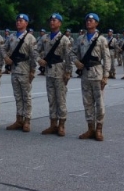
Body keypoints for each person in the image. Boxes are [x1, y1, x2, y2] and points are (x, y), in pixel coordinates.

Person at [73, 13, 111, 141]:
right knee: (87, 102)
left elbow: (107, 58)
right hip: (85, 74)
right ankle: (90, 128)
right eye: (87, 20)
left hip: (97, 74)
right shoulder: (80, 39)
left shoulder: (101, 39)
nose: (88, 22)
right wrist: (76, 61)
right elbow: (72, 53)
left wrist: (106, 75)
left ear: (96, 23)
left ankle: (99, 129)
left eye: (91, 20)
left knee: (99, 103)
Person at [37, 13, 72, 136]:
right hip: (49, 72)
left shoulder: (64, 39)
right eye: (51, 20)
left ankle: (61, 125)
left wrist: (68, 72)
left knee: (60, 99)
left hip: (60, 71)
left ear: (60, 23)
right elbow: (36, 50)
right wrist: (39, 59)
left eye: (55, 20)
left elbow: (69, 57)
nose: (52, 22)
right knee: (51, 99)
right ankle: (53, 124)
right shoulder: (45, 38)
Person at [3, 13, 38, 132]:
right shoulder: (11, 37)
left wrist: (33, 71)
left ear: (26, 23)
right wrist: (5, 58)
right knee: (18, 96)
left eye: (22, 21)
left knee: (26, 97)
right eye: (17, 20)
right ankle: (19, 119)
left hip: (25, 70)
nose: (19, 22)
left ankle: (27, 120)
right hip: (14, 70)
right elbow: (3, 48)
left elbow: (34, 56)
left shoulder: (30, 38)